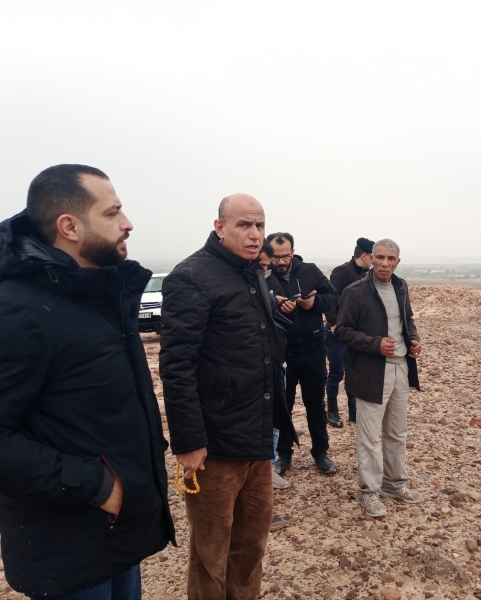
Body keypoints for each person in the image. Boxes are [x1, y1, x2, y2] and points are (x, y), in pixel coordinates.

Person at [0, 164, 175, 599]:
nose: (128, 223)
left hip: (118, 541)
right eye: (113, 212)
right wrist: (96, 485)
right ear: (70, 227)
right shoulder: (17, 309)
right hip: (69, 557)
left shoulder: (99, 299)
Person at [160, 194, 297, 600]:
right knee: (211, 553)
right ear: (219, 227)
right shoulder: (192, 277)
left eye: (260, 225)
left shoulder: (252, 274)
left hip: (256, 437)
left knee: (251, 546)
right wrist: (188, 443)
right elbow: (177, 367)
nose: (255, 234)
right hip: (215, 446)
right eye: (244, 224)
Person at [335, 238, 424, 518]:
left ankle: (394, 484)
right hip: (371, 371)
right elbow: (342, 330)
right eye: (380, 257)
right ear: (371, 258)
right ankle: (370, 491)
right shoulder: (355, 291)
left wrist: (414, 339)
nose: (385, 263)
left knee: (397, 432)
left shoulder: (401, 286)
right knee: (369, 435)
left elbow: (407, 320)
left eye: (391, 258)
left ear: (398, 262)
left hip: (401, 368)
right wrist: (375, 344)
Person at [268, 232, 338, 476]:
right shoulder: (263, 276)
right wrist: (275, 306)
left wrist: (313, 304)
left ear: (293, 252)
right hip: (281, 354)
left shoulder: (310, 270)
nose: (280, 261)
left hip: (313, 350)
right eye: (275, 257)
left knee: (316, 405)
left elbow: (334, 298)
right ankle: (283, 455)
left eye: (285, 256)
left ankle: (321, 452)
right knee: (282, 407)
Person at [323, 237, 375, 426]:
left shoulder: (368, 274)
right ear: (365, 255)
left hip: (355, 333)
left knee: (354, 371)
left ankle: (354, 412)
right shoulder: (342, 271)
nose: (375, 261)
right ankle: (332, 412)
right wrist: (333, 323)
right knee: (336, 372)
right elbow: (330, 298)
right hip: (337, 332)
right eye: (373, 257)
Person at [258, 240, 291, 490]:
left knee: (275, 415)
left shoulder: (273, 281)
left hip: (277, 359)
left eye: (265, 266)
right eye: (261, 265)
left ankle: (269, 467)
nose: (265, 270)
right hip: (251, 365)